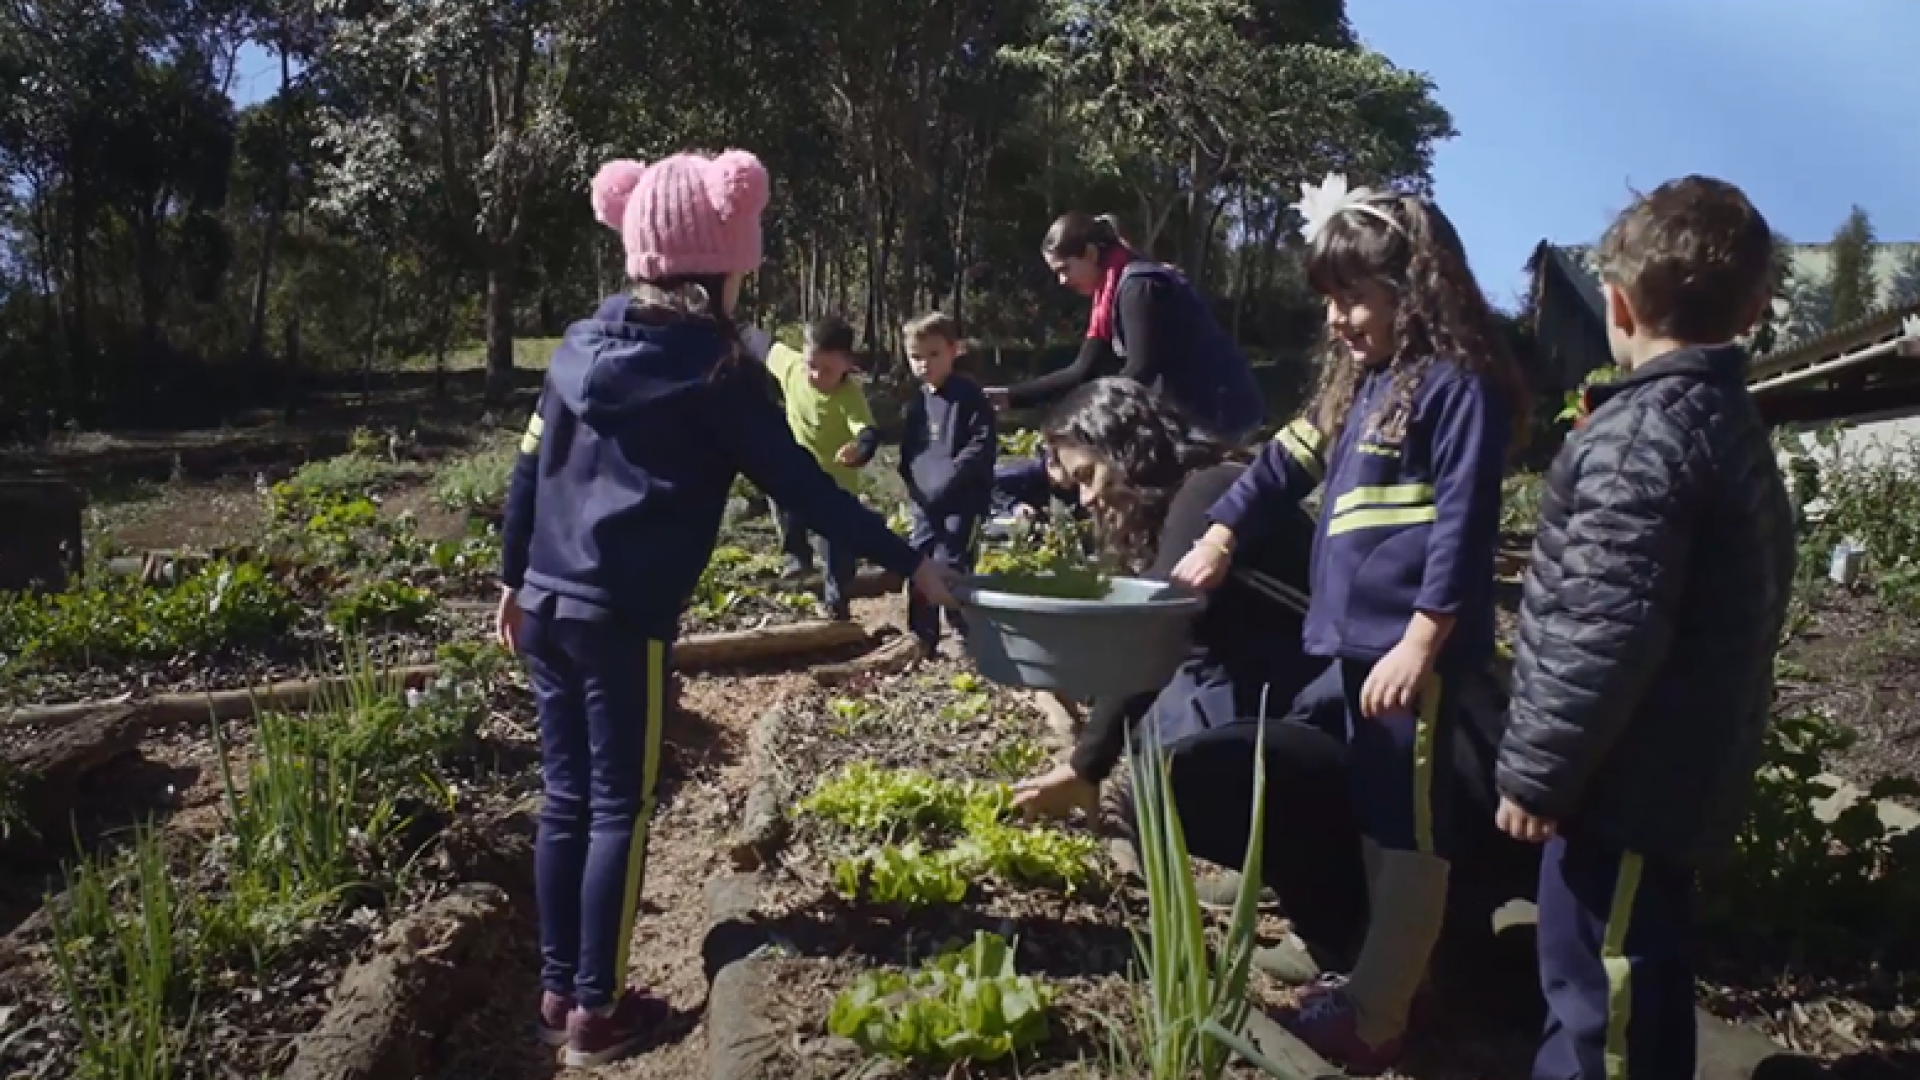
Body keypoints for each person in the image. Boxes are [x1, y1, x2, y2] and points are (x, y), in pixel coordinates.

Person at [495, 150, 959, 1067]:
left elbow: (525, 466)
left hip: (546, 602)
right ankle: (598, 1012)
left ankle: (557, 991)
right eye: (745, 264)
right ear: (720, 267)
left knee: (564, 797)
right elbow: (805, 487)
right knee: (618, 807)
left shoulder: (578, 347)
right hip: (622, 616)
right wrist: (911, 561)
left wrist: (511, 578)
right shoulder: (715, 374)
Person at [1171, 175, 1529, 1073]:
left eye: (1355, 298)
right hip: (1352, 650)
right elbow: (1276, 469)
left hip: (1411, 656)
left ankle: (1376, 1017)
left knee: (1410, 828)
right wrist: (1219, 534)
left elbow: (1462, 526)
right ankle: (1390, 974)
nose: (1339, 320)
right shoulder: (1358, 392)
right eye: (1331, 302)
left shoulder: (1460, 388)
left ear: (1416, 289)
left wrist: (1421, 638)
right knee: (1371, 815)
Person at [1495, 177, 1795, 1080]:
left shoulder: (1637, 437)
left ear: (1617, 306)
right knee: (1640, 981)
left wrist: (1540, 772)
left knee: (1599, 1000)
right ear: (1752, 310)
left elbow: (1602, 627)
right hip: (1671, 774)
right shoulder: (1725, 422)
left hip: (1621, 784)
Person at [985, 213, 1266, 445]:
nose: (1061, 280)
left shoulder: (1138, 287)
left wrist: (1088, 418)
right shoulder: (1109, 295)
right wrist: (1010, 396)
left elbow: (1139, 371)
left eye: (1064, 269)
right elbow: (1082, 371)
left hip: (1221, 413)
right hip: (1194, 414)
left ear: (1091, 254)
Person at [764, 315, 879, 620]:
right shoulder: (791, 369)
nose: (814, 374)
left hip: (835, 487)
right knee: (778, 490)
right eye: (809, 364)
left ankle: (837, 603)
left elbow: (867, 433)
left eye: (826, 369)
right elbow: (758, 343)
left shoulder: (848, 396)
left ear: (847, 364)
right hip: (798, 474)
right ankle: (796, 558)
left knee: (836, 548)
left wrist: (859, 451)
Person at [899, 312, 996, 655]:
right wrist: (913, 483)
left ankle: (963, 632)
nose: (925, 364)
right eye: (916, 357)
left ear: (954, 350)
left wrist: (952, 476)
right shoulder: (917, 403)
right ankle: (921, 634)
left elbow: (981, 446)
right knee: (918, 561)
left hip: (962, 501)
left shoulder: (968, 396)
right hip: (926, 501)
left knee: (953, 561)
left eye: (933, 354)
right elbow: (910, 450)